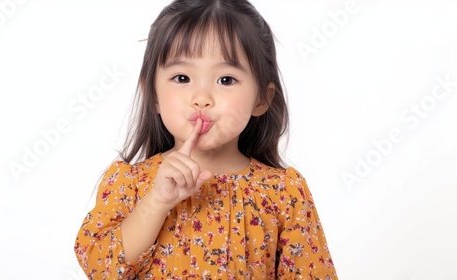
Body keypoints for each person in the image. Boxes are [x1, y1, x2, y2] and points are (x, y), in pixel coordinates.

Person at [74, 0, 338, 279]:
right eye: (182, 77)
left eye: (226, 80)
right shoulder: (131, 184)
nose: (201, 98)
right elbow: (100, 266)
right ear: (152, 94)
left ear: (262, 99)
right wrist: (157, 202)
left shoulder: (284, 194)